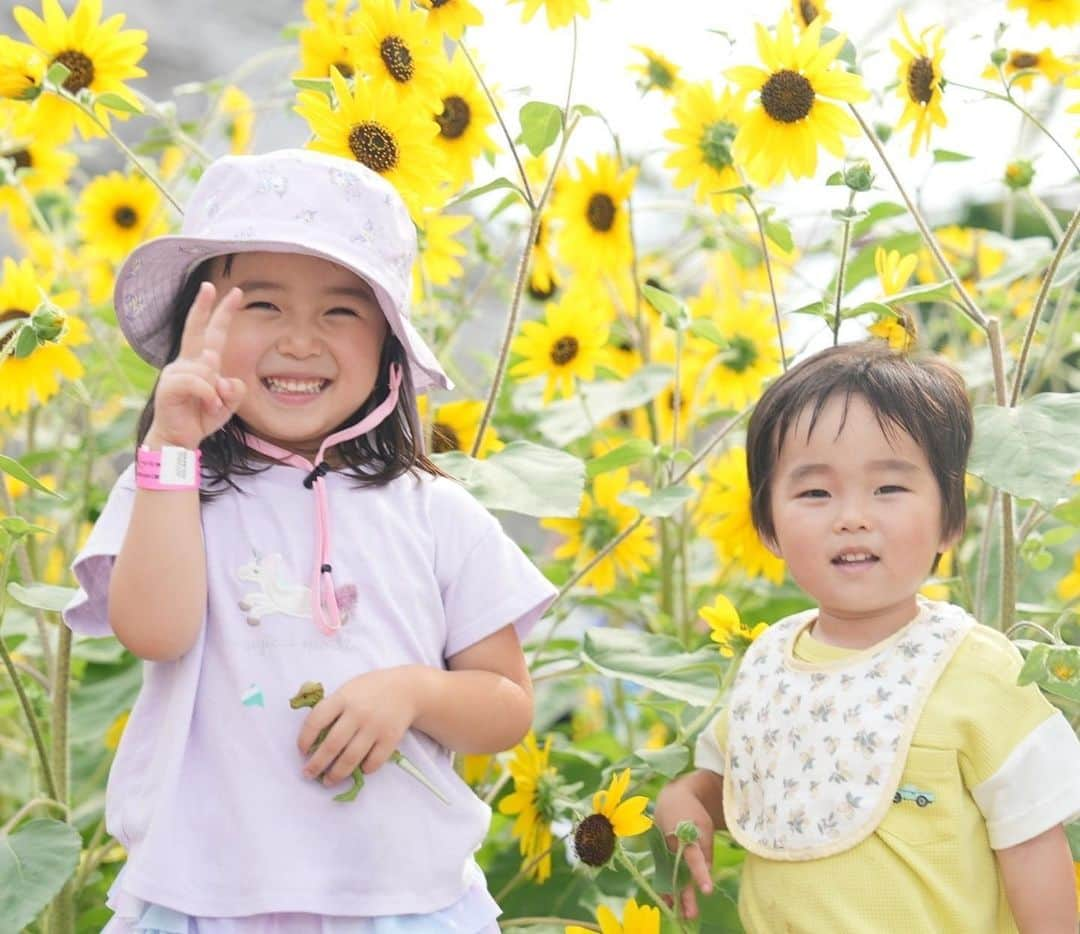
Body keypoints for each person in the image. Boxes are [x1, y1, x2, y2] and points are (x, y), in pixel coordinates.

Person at [63, 148, 557, 933]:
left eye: (340, 310)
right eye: (260, 306)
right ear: (202, 321)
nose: (300, 341)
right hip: (205, 895)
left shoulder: (438, 514)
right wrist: (171, 445)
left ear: (390, 344)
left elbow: (505, 709)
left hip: (402, 900)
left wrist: (413, 691)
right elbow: (154, 633)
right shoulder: (171, 487)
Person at [655, 342, 1080, 932]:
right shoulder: (769, 664)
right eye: (814, 493)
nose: (852, 516)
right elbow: (739, 777)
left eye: (888, 489)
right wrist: (688, 799)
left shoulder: (978, 672)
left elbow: (1035, 849)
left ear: (950, 519)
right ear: (767, 525)